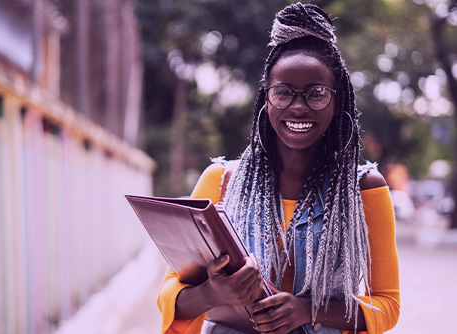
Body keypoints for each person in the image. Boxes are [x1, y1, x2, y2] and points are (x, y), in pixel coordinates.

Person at [158, 3, 400, 334]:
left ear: (338, 101)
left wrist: (307, 311)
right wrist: (212, 293)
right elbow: (171, 295)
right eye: (283, 93)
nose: (297, 107)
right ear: (267, 98)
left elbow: (387, 305)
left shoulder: (362, 189)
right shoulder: (221, 182)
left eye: (316, 94)